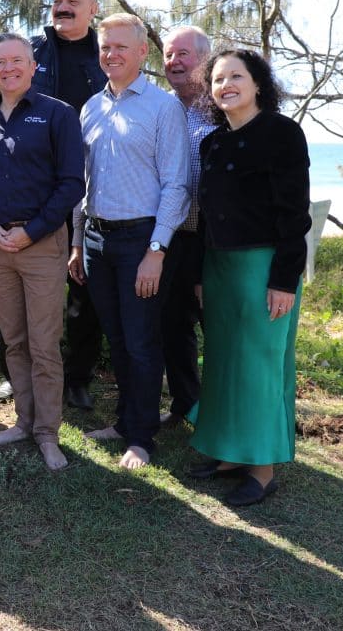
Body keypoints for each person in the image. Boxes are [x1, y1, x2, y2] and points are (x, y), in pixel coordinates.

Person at [187, 49, 311, 506]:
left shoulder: (282, 134)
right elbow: (206, 216)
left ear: (259, 83)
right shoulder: (212, 143)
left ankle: (261, 469)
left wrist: (284, 280)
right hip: (219, 268)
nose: (226, 86)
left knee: (258, 367)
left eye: (236, 76)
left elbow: (295, 215)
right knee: (222, 363)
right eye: (217, 79)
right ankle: (228, 454)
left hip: (264, 268)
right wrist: (201, 273)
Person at [70, 13, 189, 469]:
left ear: (142, 52)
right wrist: (79, 242)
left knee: (141, 342)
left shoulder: (163, 107)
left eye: (121, 46)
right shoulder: (91, 107)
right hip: (98, 239)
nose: (111, 54)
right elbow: (85, 182)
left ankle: (141, 437)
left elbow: (176, 185)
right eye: (105, 47)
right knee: (117, 339)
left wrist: (156, 251)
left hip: (143, 240)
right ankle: (124, 421)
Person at [0, 33, 84, 470]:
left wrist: (31, 232)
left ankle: (48, 434)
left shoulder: (58, 115)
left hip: (41, 245)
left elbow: (72, 183)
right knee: (14, 341)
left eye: (17, 60)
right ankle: (23, 421)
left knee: (44, 343)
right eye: (0, 62)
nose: (9, 68)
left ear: (34, 67)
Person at [16, 0, 106, 411]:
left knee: (83, 288)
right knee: (26, 279)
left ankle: (77, 377)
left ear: (93, 10)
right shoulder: (32, 50)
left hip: (89, 186)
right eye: (57, 1)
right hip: (34, 186)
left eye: (73, 1)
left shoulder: (105, 55)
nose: (62, 7)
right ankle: (16, 373)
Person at [158, 26, 215, 426]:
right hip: (171, 236)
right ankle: (184, 405)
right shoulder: (160, 109)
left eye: (183, 54)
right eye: (167, 55)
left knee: (218, 327)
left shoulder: (223, 108)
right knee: (172, 326)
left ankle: (221, 412)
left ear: (204, 61)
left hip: (215, 238)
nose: (174, 62)